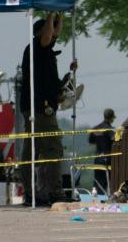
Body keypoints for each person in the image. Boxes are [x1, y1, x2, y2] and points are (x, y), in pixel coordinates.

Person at [18, 12, 76, 205]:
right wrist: (50, 13)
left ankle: (34, 193)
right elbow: (48, 35)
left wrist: (58, 15)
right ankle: (53, 192)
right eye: (48, 31)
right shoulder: (37, 47)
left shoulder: (44, 51)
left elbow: (54, 32)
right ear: (39, 33)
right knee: (52, 148)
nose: (52, 35)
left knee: (32, 150)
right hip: (40, 110)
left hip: (40, 107)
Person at [88, 108, 117, 194]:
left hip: (97, 158)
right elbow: (115, 140)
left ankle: (97, 200)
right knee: (110, 181)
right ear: (111, 118)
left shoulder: (95, 128)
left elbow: (91, 141)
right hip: (108, 159)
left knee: (98, 182)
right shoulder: (109, 130)